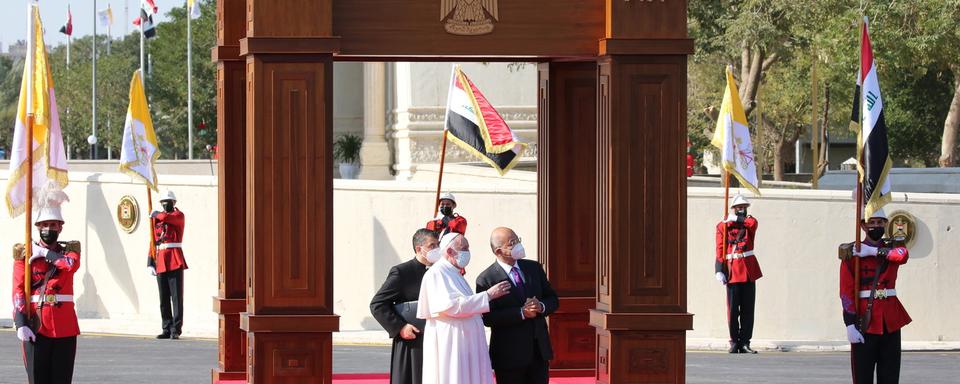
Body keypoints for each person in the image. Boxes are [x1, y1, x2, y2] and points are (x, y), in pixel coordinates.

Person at [417, 233, 511, 384]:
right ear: (449, 251)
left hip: (465, 340)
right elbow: (452, 306)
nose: (467, 252)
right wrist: (488, 295)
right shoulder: (437, 273)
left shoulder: (453, 272)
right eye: (464, 248)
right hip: (451, 339)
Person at [476, 227, 558, 384]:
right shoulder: (486, 279)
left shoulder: (533, 268)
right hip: (509, 355)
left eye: (517, 240)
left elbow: (553, 299)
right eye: (512, 243)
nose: (518, 245)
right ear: (499, 251)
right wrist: (520, 313)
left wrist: (540, 306)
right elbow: (489, 318)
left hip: (538, 350)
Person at [13, 196, 81, 384]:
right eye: (44, 225)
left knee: (62, 380)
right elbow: (18, 290)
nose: (48, 229)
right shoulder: (23, 256)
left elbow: (70, 265)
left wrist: (44, 253)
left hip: (64, 328)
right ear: (37, 228)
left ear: (60, 227)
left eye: (52, 225)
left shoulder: (70, 251)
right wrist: (21, 323)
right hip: (36, 326)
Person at [839, 208, 911, 384]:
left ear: (886, 224)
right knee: (862, 376)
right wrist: (849, 324)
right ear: (863, 226)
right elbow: (846, 291)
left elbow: (902, 256)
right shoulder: (852, 253)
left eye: (880, 223)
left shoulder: (893, 248)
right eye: (872, 223)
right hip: (865, 321)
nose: (876, 226)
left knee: (890, 375)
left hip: (890, 320)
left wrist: (872, 252)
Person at [370, 229, 440, 384]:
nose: (437, 249)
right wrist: (400, 327)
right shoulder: (402, 272)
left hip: (437, 339)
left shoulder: (440, 271)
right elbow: (378, 304)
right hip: (412, 341)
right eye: (432, 245)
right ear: (419, 249)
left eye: (438, 245)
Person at [715, 194, 763, 354]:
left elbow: (752, 224)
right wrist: (718, 269)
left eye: (744, 207)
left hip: (748, 271)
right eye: (738, 207)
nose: (741, 209)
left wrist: (736, 218)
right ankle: (734, 341)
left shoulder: (750, 222)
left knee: (748, 310)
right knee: (733, 310)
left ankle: (745, 342)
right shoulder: (723, 226)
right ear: (733, 208)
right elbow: (719, 249)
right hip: (733, 271)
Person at [148, 189, 188, 340]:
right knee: (163, 297)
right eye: (163, 203)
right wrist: (150, 261)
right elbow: (153, 241)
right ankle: (166, 327)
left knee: (176, 297)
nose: (165, 205)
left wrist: (155, 215)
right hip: (161, 259)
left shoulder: (178, 216)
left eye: (168, 202)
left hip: (174, 258)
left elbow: (165, 217)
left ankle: (176, 329)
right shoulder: (158, 219)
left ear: (174, 203)